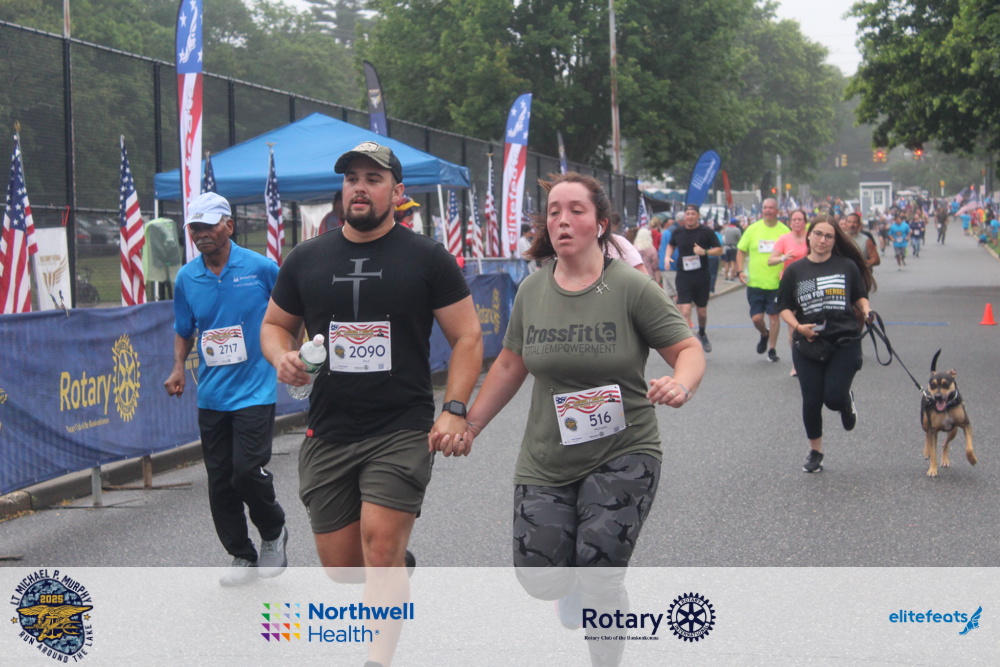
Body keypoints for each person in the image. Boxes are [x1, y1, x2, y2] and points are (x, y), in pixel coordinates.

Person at [438, 172, 703, 666]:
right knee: (540, 576)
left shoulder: (631, 287)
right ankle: (575, 583)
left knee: (601, 572)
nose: (561, 219)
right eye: (554, 211)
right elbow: (511, 364)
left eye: (576, 210)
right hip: (548, 456)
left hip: (624, 449)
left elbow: (687, 349)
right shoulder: (532, 290)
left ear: (600, 224)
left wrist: (681, 384)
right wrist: (470, 424)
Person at [260, 142, 483, 667]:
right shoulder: (306, 258)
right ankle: (396, 569)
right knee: (342, 568)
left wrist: (453, 408)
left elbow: (468, 336)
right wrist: (281, 357)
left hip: (401, 428)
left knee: (379, 550)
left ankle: (377, 658)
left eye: (373, 179)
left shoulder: (427, 257)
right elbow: (274, 326)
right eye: (352, 179)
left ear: (397, 192)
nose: (359, 187)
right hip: (329, 429)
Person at [163, 191, 288, 587]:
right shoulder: (187, 278)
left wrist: (288, 353)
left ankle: (273, 531)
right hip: (213, 394)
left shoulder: (261, 268)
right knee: (220, 481)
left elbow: (289, 311)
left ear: (229, 226)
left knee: (247, 471)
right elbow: (184, 328)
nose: (201, 234)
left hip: (255, 389)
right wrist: (178, 367)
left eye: (208, 226)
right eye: (194, 228)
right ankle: (241, 554)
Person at [778, 217, 875, 473]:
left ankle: (845, 401)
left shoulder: (846, 266)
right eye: (818, 234)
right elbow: (784, 307)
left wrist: (867, 310)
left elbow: (859, 296)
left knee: (832, 399)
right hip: (808, 343)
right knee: (811, 400)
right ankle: (816, 452)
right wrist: (798, 327)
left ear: (835, 240)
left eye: (828, 236)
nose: (822, 240)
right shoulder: (794, 270)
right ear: (809, 236)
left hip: (844, 341)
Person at [735, 198, 790, 362]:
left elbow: (791, 254)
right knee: (757, 318)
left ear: (777, 211)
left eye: (771, 208)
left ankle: (772, 349)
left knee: (774, 317)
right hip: (755, 282)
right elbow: (741, 250)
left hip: (776, 283)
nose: (768, 210)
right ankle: (764, 334)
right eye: (765, 208)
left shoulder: (784, 231)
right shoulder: (753, 229)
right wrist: (740, 270)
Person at [665, 204, 722, 350]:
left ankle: (702, 333)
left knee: (701, 312)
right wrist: (667, 257)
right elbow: (671, 245)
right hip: (683, 275)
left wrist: (705, 252)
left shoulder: (706, 231)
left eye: (693, 214)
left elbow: (719, 250)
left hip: (701, 275)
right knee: (685, 309)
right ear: (684, 216)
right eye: (688, 214)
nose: (690, 216)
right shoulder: (678, 231)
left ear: (698, 216)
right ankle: (689, 344)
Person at [768, 209, 810, 375]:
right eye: (794, 219)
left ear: (805, 221)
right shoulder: (784, 239)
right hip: (789, 284)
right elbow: (770, 260)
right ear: (790, 222)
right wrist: (783, 258)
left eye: (800, 219)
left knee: (810, 321)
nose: (797, 222)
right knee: (792, 327)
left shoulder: (811, 237)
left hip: (808, 283)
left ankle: (812, 357)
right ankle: (796, 363)